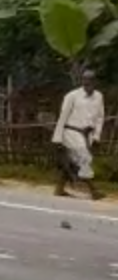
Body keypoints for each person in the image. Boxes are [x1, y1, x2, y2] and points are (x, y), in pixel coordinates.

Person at [51, 69, 105, 200]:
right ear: (82, 81)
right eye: (85, 80)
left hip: (88, 134)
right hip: (71, 132)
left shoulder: (99, 96)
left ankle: (59, 189)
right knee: (84, 158)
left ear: (95, 81)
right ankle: (94, 190)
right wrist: (57, 138)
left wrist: (97, 136)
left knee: (73, 160)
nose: (87, 83)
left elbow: (100, 117)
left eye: (90, 80)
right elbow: (62, 117)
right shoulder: (72, 96)